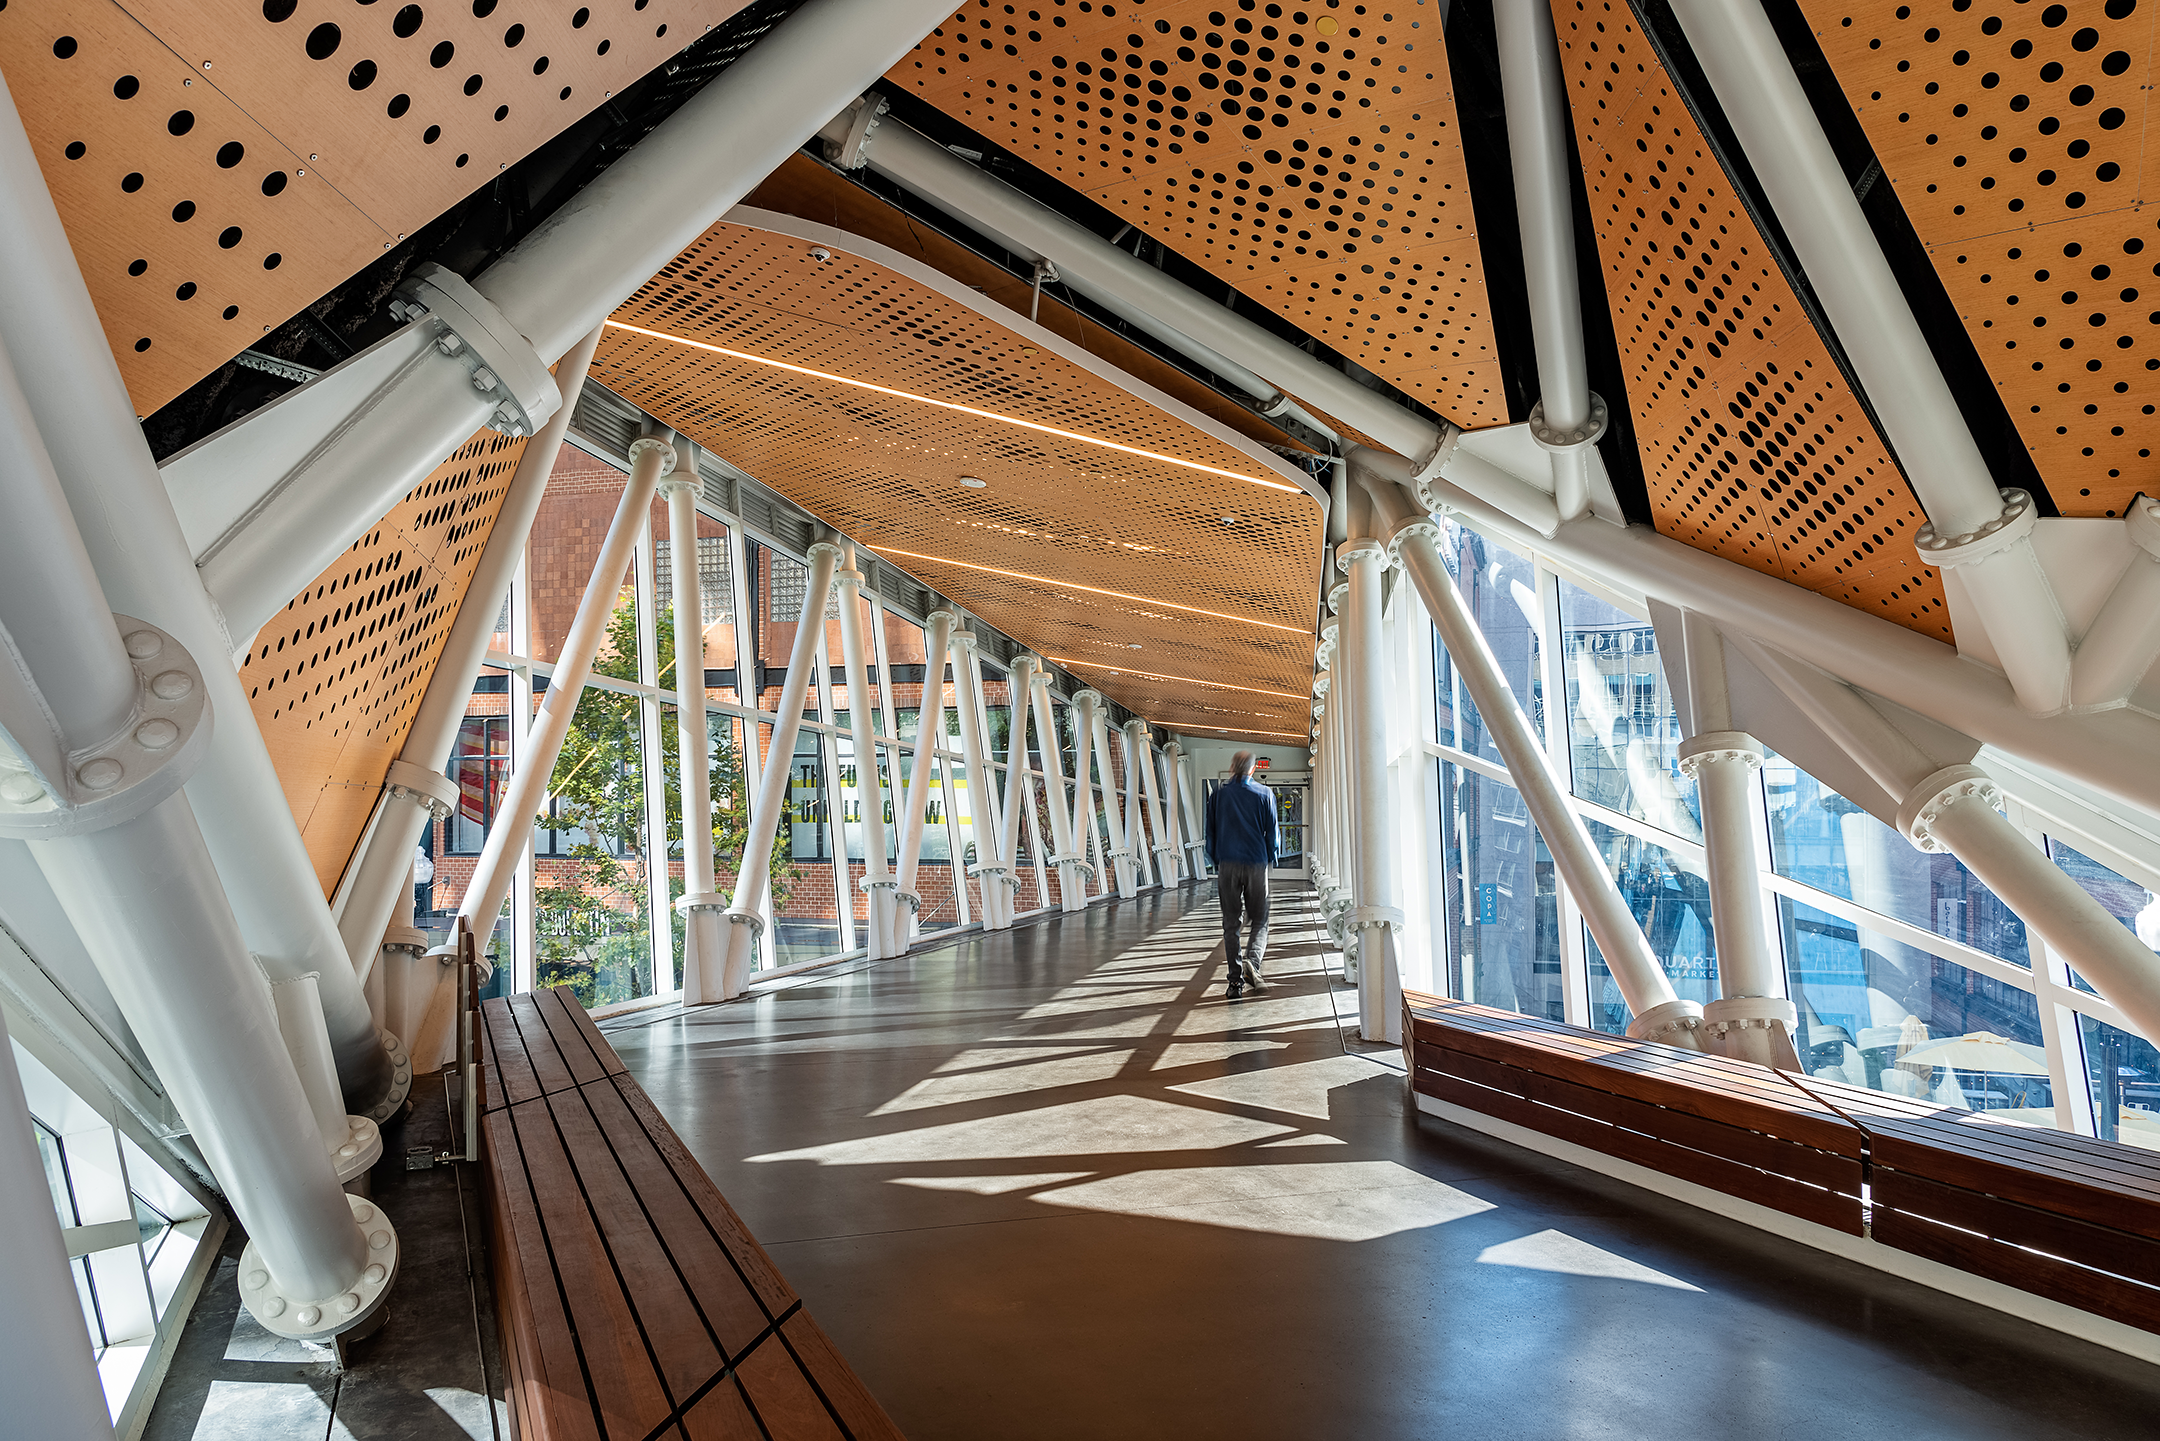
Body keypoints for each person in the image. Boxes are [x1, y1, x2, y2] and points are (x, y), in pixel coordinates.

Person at [1205, 751, 1277, 998]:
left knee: (1230, 924)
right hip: (1256, 863)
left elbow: (1210, 834)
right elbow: (1272, 833)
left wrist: (1217, 860)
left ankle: (1234, 983)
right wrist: (1270, 858)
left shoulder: (1218, 796)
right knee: (1260, 919)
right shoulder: (1265, 794)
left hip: (1228, 865)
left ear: (1232, 767)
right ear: (1253, 769)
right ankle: (1252, 963)